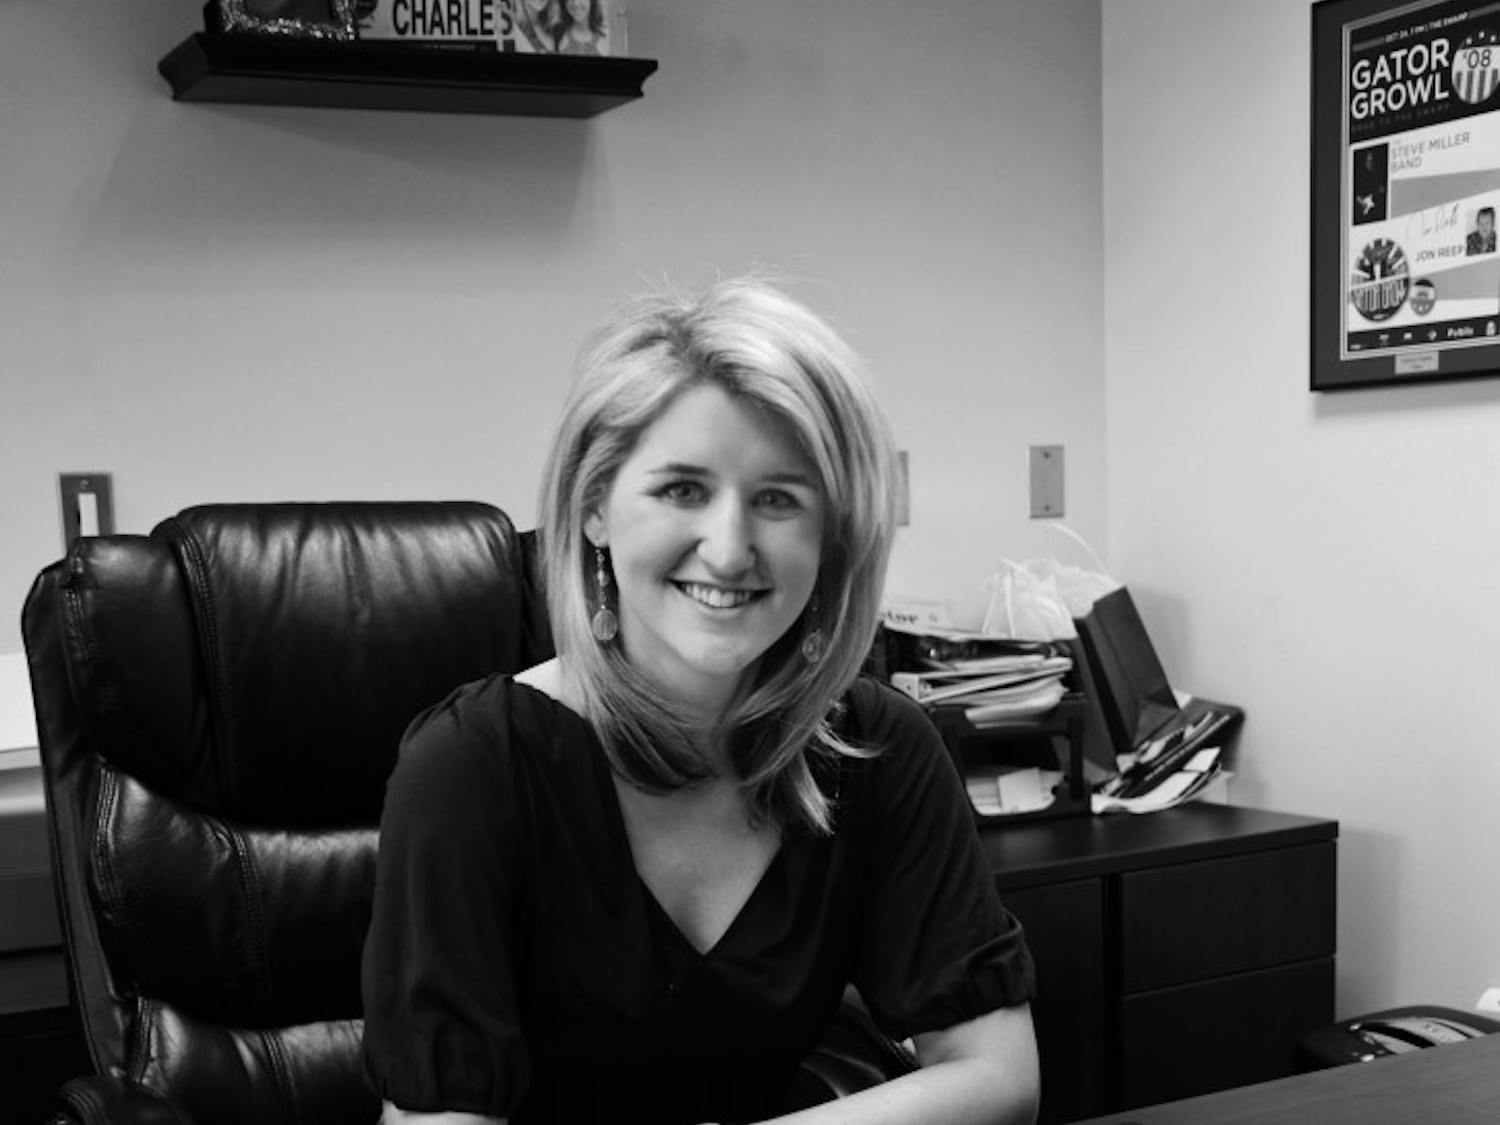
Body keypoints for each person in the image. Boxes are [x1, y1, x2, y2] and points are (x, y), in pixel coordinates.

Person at [361, 277, 1040, 1125]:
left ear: (831, 536)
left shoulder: (877, 747)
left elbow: (999, 1076)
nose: (728, 549)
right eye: (682, 488)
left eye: (778, 498)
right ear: (596, 507)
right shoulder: (470, 767)